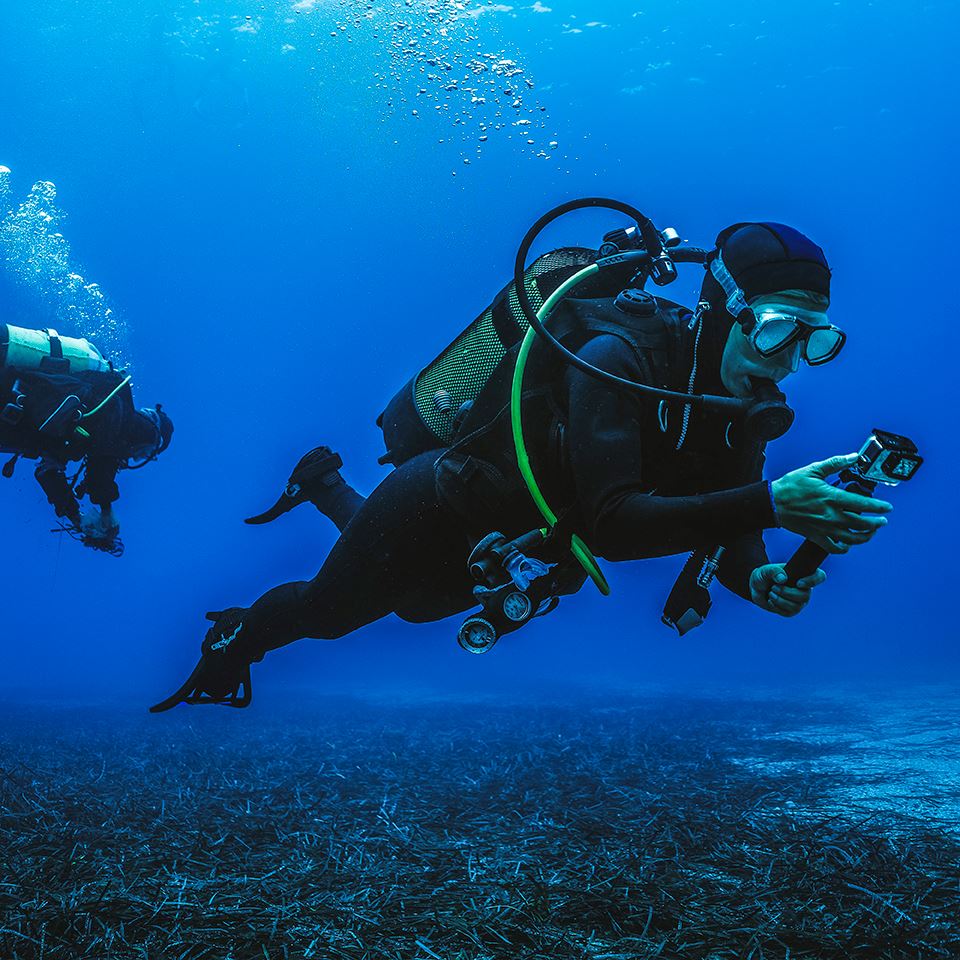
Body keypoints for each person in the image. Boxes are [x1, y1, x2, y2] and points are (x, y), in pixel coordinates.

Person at [152, 218, 892, 709]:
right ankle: (234, 642)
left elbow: (732, 527)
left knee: (411, 606)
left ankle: (325, 487)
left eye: (814, 340)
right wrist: (770, 504)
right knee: (329, 614)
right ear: (726, 311)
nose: (790, 362)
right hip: (443, 501)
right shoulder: (614, 356)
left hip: (523, 544)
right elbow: (619, 524)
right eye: (776, 330)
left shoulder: (736, 402)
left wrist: (755, 576)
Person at [1, 322, 173, 553]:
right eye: (144, 453)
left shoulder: (99, 419)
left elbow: (48, 470)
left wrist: (77, 518)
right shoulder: (118, 415)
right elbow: (101, 472)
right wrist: (106, 511)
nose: (135, 457)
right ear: (150, 438)